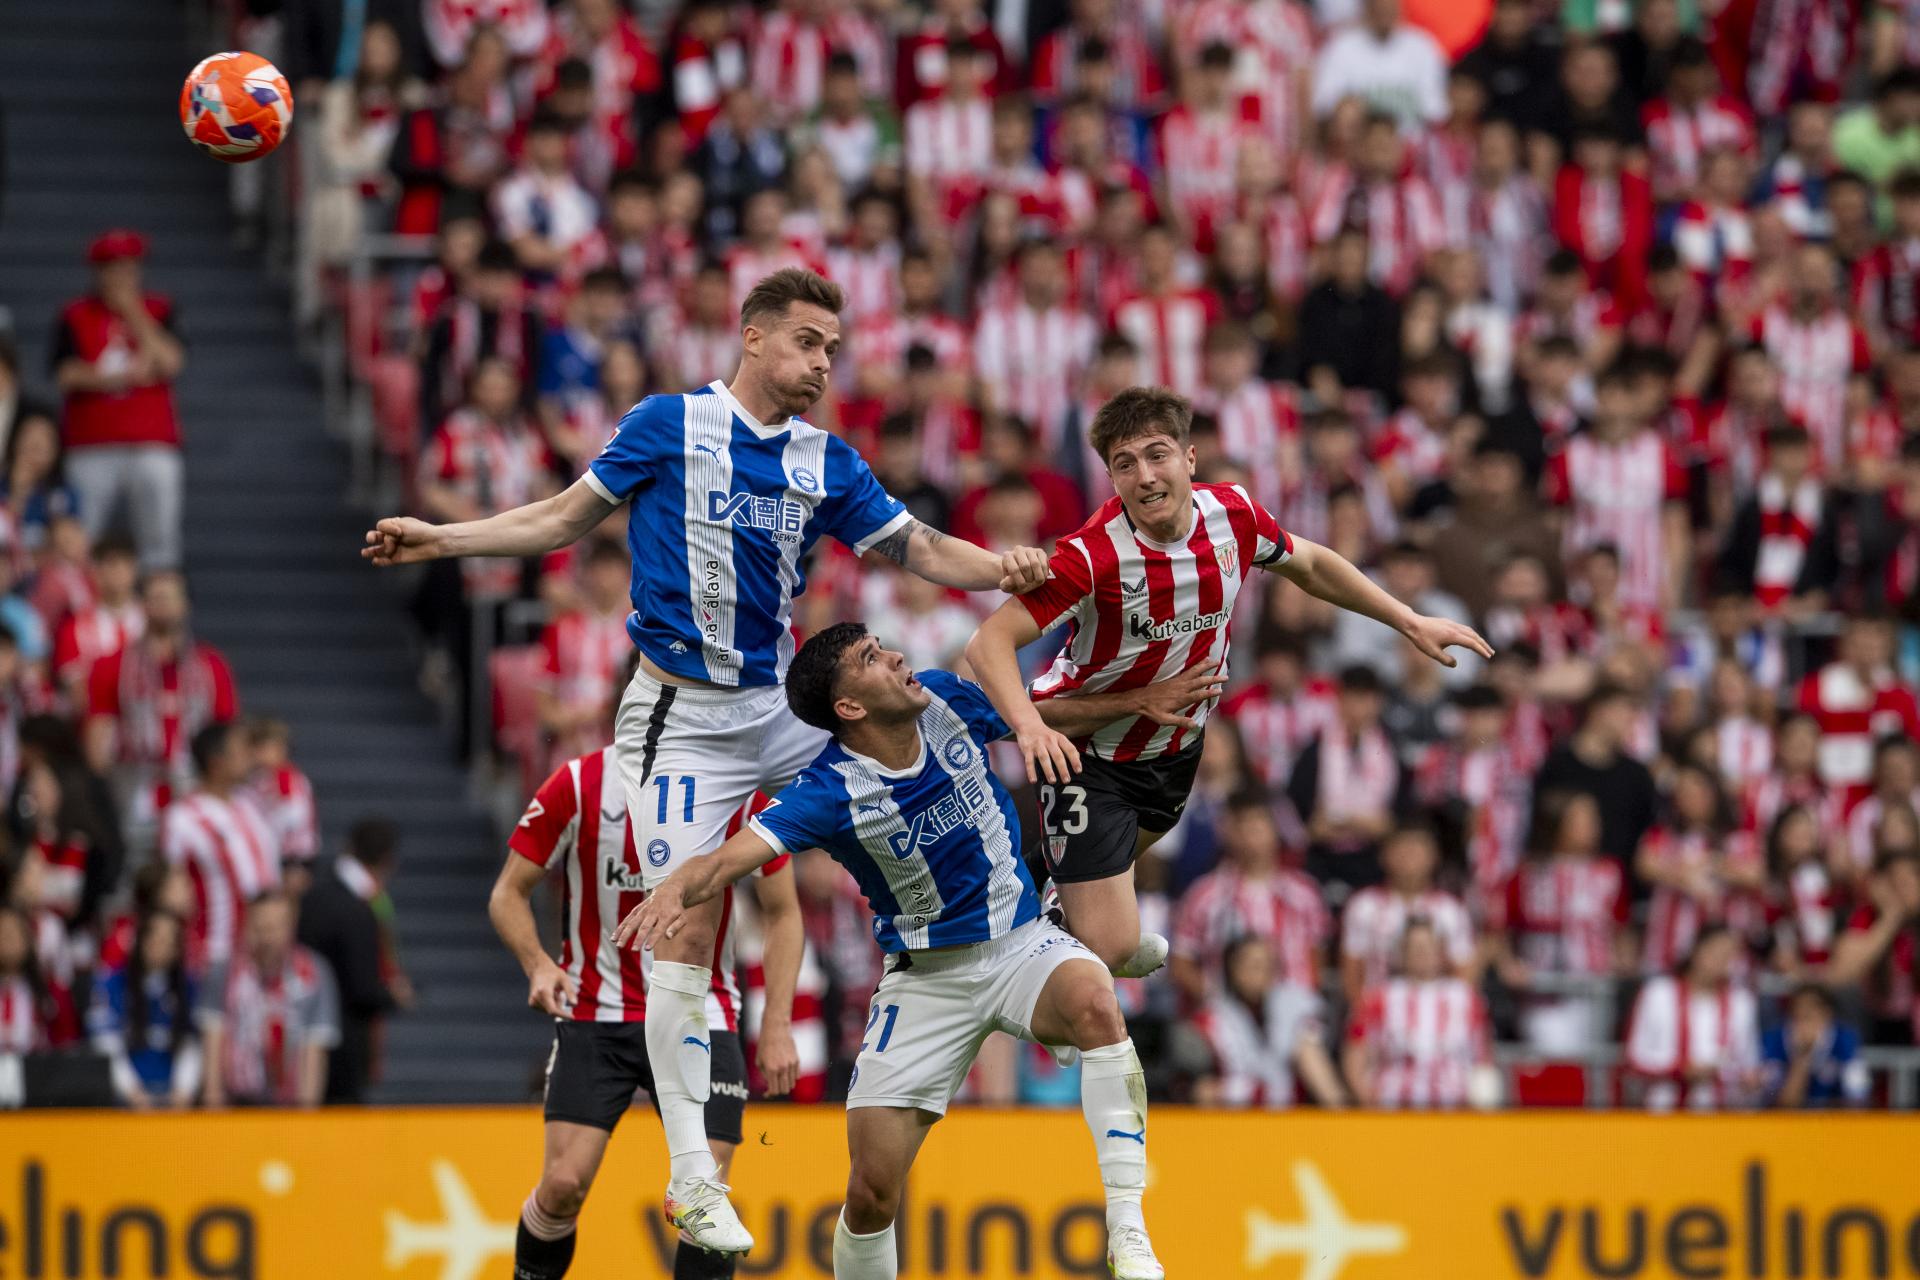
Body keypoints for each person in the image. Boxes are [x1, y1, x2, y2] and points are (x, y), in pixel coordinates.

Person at [365, 267, 1050, 1255]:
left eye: (833, 347)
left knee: (940, 725)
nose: (823, 363)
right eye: (808, 341)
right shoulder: (666, 425)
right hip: (679, 718)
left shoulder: (826, 460)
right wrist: (444, 540)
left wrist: (1006, 564)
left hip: (776, 702)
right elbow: (561, 518)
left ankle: (1016, 928)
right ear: (753, 336)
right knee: (685, 918)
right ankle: (694, 1178)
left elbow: (921, 548)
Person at [613, 625, 1166, 1280]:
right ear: (848, 707)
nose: (897, 656)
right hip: (925, 982)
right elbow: (739, 854)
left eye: (883, 647)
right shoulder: (827, 790)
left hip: (1021, 945)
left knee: (1097, 1002)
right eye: (871, 659)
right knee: (871, 1193)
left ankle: (1128, 1229)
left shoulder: (941, 698)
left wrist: (1136, 702)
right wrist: (674, 888)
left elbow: (1039, 711)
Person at [964, 386, 1488, 978]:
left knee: (1078, 884)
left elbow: (1311, 564)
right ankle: (1027, 964)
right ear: (1111, 478)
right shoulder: (1092, 556)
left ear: (1190, 459)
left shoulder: (1233, 515)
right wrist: (1030, 728)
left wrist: (1408, 619)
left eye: (1157, 454)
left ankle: (1019, 911)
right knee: (1109, 947)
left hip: (1176, 749)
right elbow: (987, 643)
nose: (1144, 475)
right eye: (1124, 463)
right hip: (1089, 752)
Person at [490, 732, 803, 1280]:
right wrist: (538, 964)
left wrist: (775, 1023)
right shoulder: (578, 784)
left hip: (701, 1015)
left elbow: (784, 913)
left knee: (705, 1201)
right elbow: (507, 892)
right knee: (563, 1186)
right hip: (597, 1014)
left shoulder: (736, 789)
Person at [49, 230, 188, 571]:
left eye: (129, 268)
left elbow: (171, 361)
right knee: (85, 535)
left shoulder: (159, 308)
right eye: (112, 269)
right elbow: (63, 373)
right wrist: (116, 378)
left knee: (160, 535)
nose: (121, 278)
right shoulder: (75, 314)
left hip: (151, 438)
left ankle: (159, 597)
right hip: (91, 439)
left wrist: (134, 314)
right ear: (97, 273)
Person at [158, 721, 281, 971]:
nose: (251, 756)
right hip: (213, 954)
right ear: (217, 762)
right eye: (242, 749)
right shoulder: (183, 819)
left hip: (260, 956)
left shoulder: (251, 804)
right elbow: (172, 891)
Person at [199, 890, 340, 1108]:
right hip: (235, 1103)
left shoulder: (313, 972)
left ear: (291, 926)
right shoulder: (225, 971)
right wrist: (213, 1104)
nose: (267, 937)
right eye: (260, 927)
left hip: (288, 1104)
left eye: (274, 928)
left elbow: (314, 1048)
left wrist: (307, 1114)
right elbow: (213, 1039)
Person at [297, 818, 403, 1104]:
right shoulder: (362, 908)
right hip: (344, 1045)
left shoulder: (312, 898)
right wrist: (394, 997)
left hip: (301, 1038)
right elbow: (364, 988)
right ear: (387, 859)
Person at [1342, 918, 1495, 1110]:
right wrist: (1368, 1101)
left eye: (1427, 947)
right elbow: (1355, 1056)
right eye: (1414, 947)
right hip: (1393, 1107)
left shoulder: (1467, 999)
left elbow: (1483, 1061)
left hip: (1454, 1110)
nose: (1421, 953)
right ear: (1402, 953)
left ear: (1440, 952)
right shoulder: (1377, 998)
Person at [1183, 934, 1346, 1108]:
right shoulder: (1211, 1020)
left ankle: (1344, 1121)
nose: (1264, 974)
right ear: (1234, 970)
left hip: (1285, 1113)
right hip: (1231, 1118)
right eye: (1256, 966)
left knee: (1309, 1049)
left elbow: (1308, 1060)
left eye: (1270, 966)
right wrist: (1249, 1091)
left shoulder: (1291, 1006)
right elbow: (1202, 1090)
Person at [1623, 925, 1762, 1111]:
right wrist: (1680, 1069)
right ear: (1697, 950)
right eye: (1717, 952)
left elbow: (1748, 1062)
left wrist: (1749, 1078)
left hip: (1721, 1117)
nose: (1723, 961)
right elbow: (1635, 1058)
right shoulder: (1659, 993)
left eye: (1730, 955)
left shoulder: (1742, 1002)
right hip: (1664, 1112)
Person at [86, 908, 202, 1109]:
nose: (160, 946)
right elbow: (106, 1046)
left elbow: (191, 1045)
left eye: (168, 941)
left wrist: (183, 1090)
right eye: (154, 938)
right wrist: (133, 1092)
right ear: (140, 941)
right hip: (124, 1102)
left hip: (173, 1102)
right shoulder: (112, 984)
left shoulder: (187, 988)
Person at [1763, 985, 1870, 1108]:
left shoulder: (1845, 1040)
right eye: (1797, 1018)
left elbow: (1858, 1098)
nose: (1803, 1026)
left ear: (1827, 1015)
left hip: (1834, 1121)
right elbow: (1783, 1105)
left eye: (1808, 1017)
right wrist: (1802, 1058)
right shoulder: (1776, 1040)